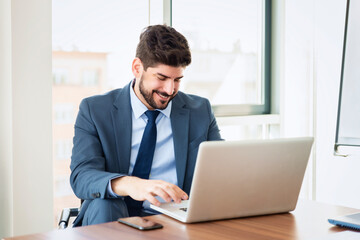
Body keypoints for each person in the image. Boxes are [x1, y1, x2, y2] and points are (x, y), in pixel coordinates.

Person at [70, 24, 222, 226]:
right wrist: (131, 184)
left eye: (177, 80)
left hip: (174, 219)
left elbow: (220, 169)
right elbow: (82, 176)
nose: (170, 90)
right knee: (105, 204)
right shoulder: (95, 110)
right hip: (113, 217)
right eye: (162, 78)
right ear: (137, 68)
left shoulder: (199, 110)